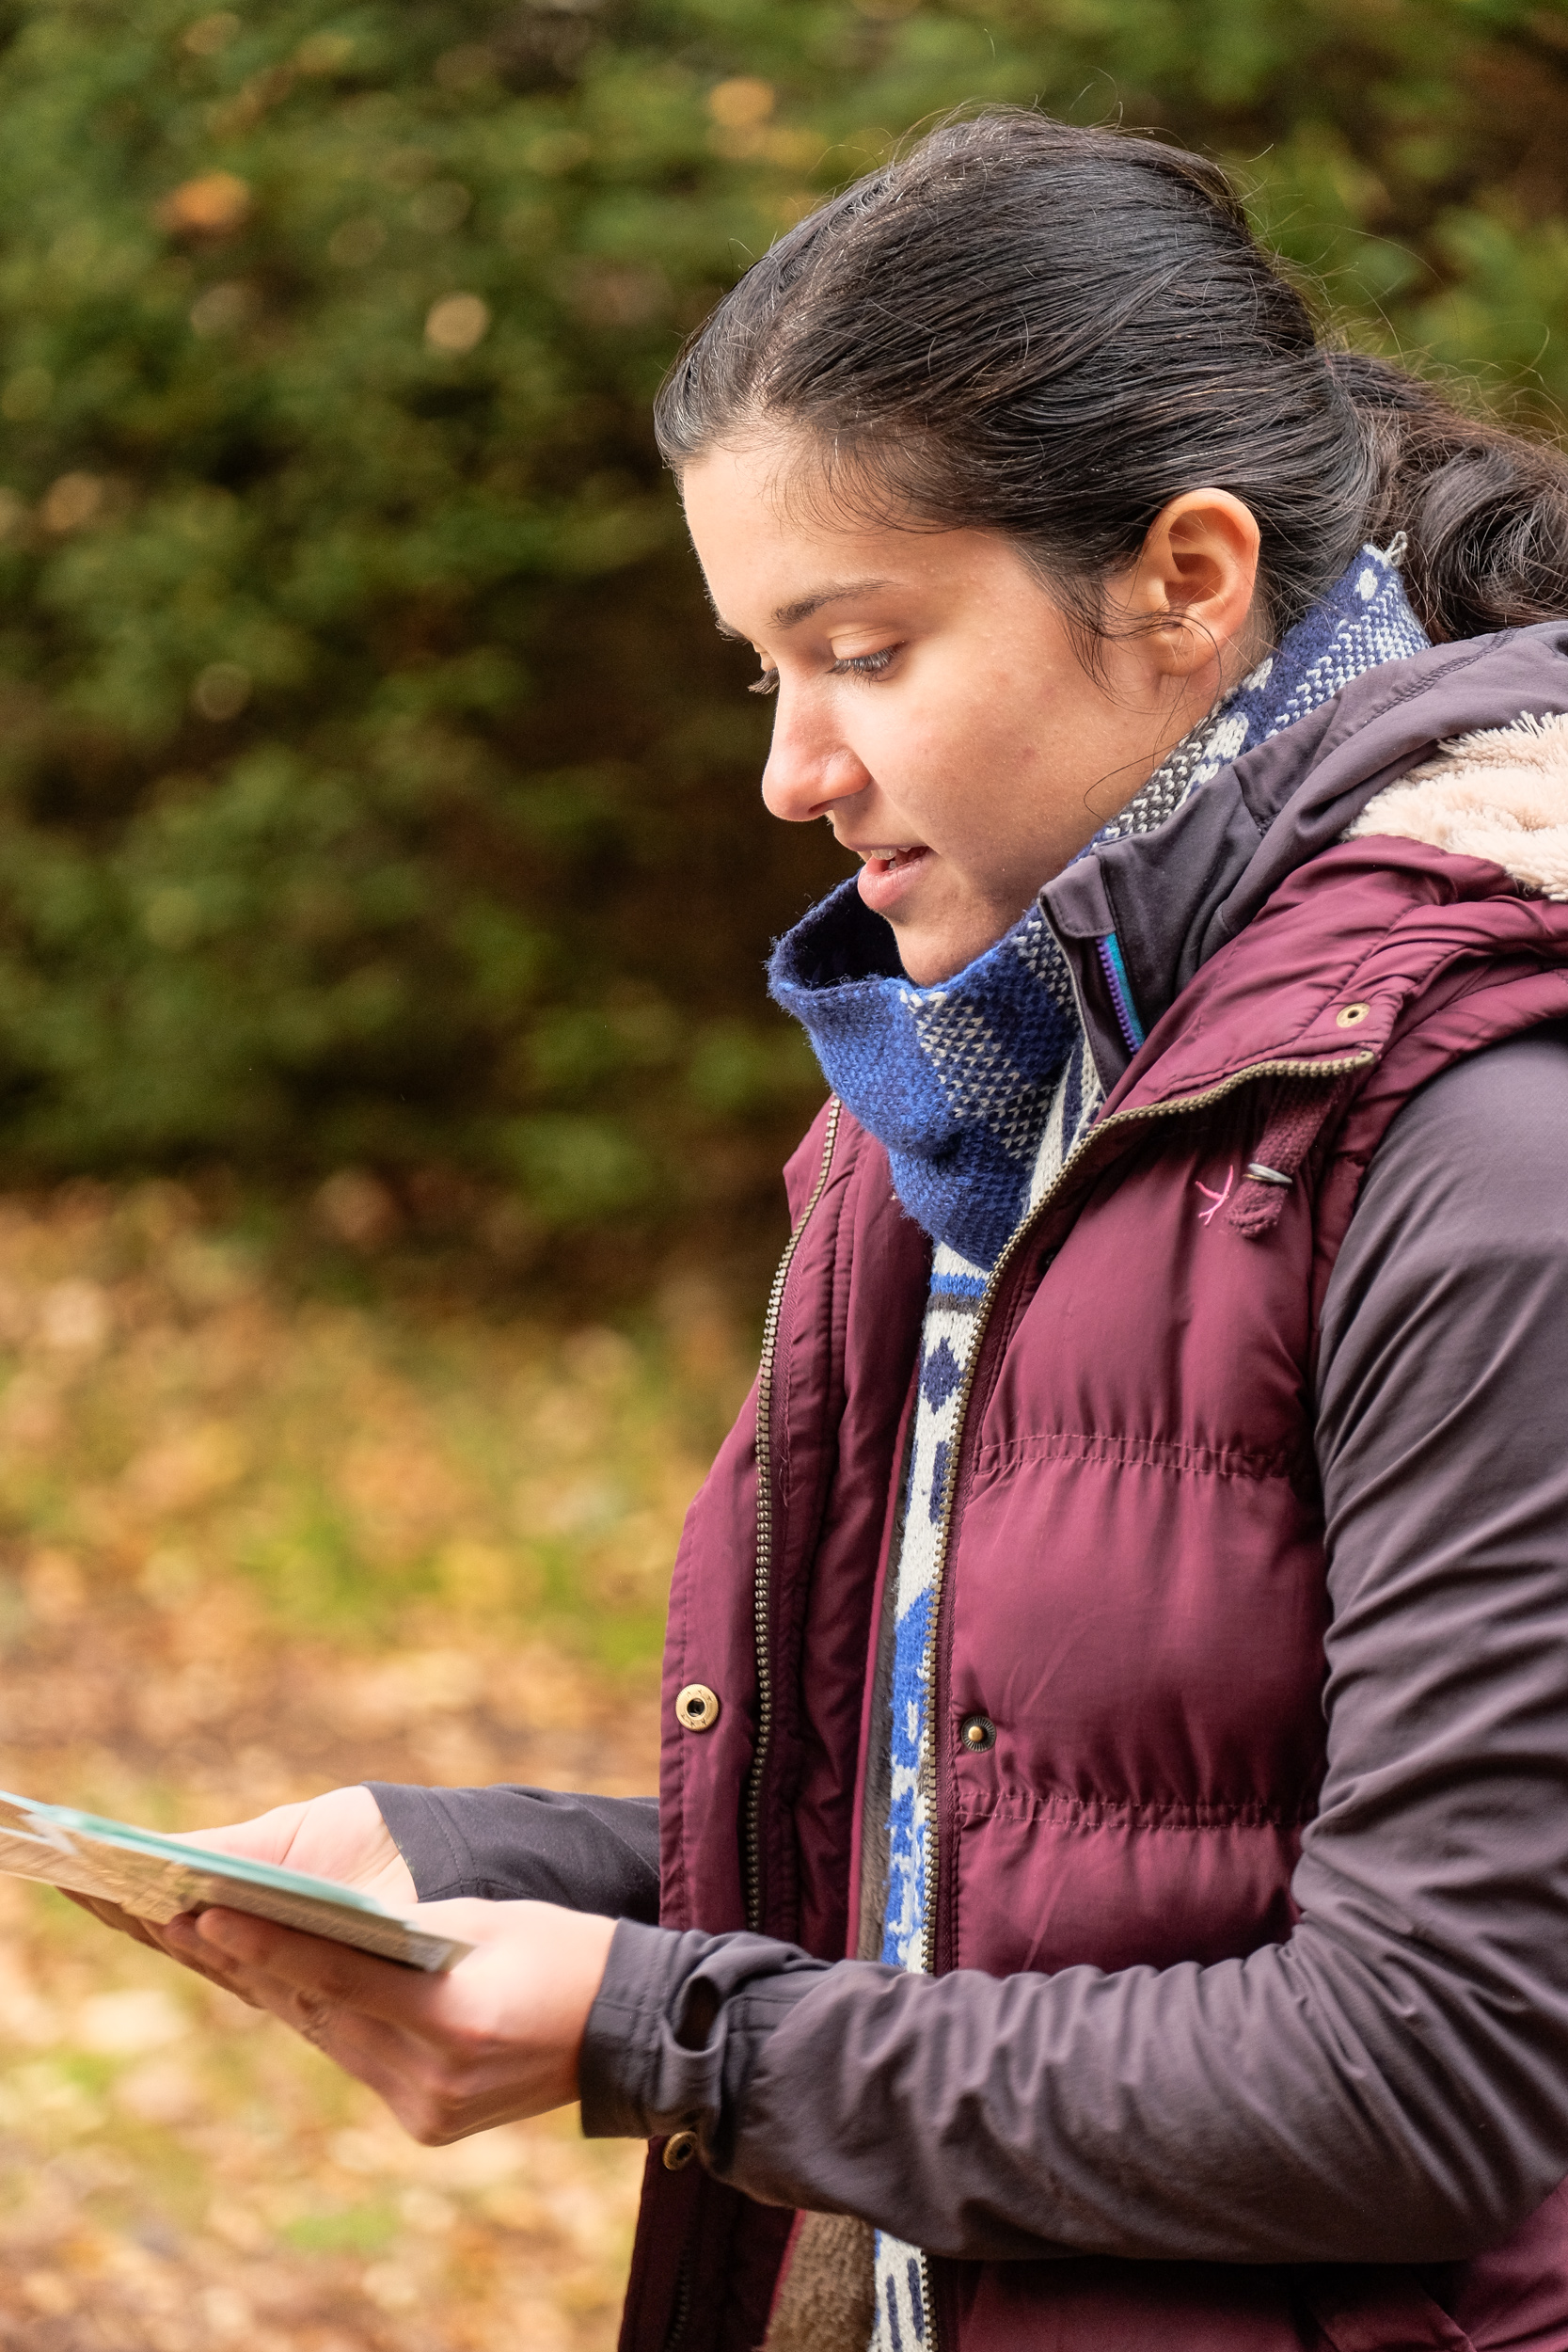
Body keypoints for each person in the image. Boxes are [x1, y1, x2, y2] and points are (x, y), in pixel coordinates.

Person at [101, 109, 1568, 2352]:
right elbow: (1034, 1839)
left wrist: (666, 2026)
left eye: (861, 649)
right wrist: (503, 1870)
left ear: (1187, 578)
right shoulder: (1000, 1075)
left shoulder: (1481, 1132)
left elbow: (1427, 2070)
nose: (790, 767)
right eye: (757, 668)